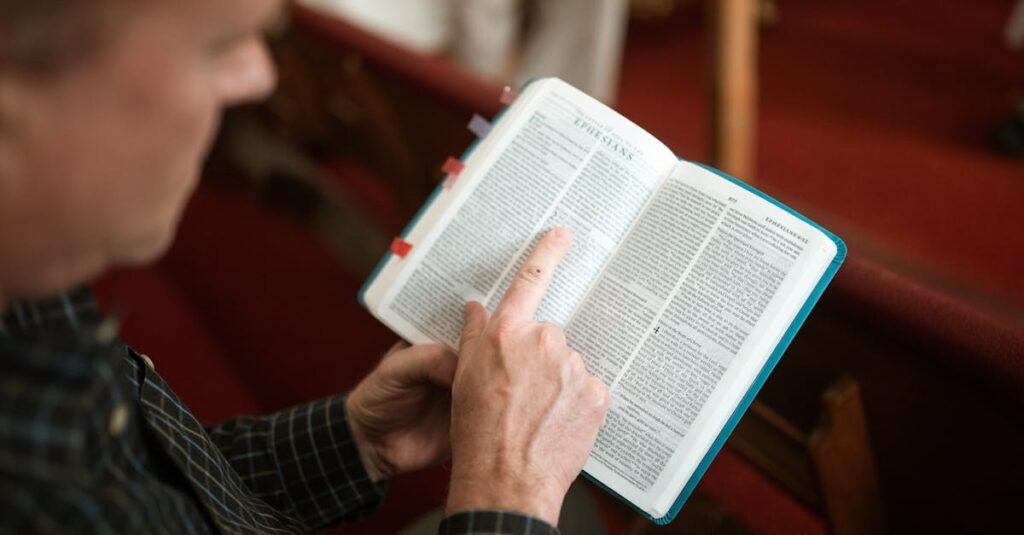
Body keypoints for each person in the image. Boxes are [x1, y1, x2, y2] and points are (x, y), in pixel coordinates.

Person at [0, 0, 610, 534]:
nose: (260, 77)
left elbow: (153, 488)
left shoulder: (29, 288)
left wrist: (358, 442)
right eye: (217, 47)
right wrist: (507, 497)